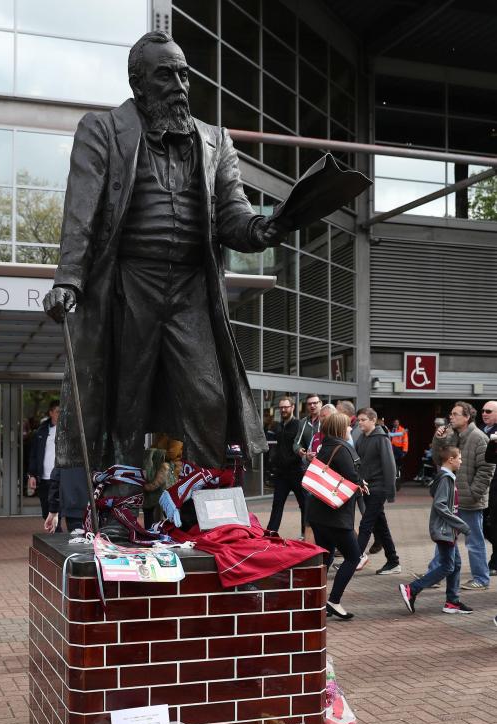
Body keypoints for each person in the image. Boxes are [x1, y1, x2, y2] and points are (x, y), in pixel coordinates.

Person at [43, 30, 295, 474]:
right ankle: (120, 503)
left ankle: (206, 505)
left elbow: (233, 216)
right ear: (138, 83)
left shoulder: (215, 141)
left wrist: (264, 228)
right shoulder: (102, 130)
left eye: (184, 75)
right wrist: (68, 280)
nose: (179, 86)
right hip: (129, 283)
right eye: (166, 76)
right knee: (126, 402)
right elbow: (79, 213)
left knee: (210, 397)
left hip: (190, 289)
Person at [399, 444, 471, 615]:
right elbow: (440, 505)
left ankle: (452, 602)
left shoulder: (446, 477)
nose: (461, 461)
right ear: (451, 459)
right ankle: (412, 589)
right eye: (459, 458)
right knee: (447, 567)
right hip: (444, 531)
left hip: (448, 531)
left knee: (456, 564)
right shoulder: (446, 479)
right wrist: (461, 524)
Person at [305, 412, 364, 620]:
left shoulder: (324, 447)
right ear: (340, 428)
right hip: (336, 516)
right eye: (348, 426)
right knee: (353, 556)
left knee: (326, 558)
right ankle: (334, 600)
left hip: (318, 514)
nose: (350, 429)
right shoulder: (344, 448)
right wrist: (361, 483)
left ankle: (313, 600)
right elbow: (353, 477)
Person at [432, 401, 494, 589]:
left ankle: (481, 579)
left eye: (455, 414)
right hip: (452, 498)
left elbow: (488, 468)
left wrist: (473, 493)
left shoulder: (479, 438)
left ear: (467, 417)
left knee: (474, 541)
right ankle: (435, 573)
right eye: (451, 414)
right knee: (444, 536)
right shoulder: (451, 436)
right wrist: (438, 440)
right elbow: (438, 460)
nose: (451, 417)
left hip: (470, 500)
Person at [354, 407, 401, 574]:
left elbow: (390, 466)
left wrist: (391, 492)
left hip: (378, 488)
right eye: (358, 420)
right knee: (381, 527)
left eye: (363, 420)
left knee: (366, 524)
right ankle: (393, 561)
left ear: (373, 421)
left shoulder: (381, 438)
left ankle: (354, 558)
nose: (359, 423)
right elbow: (357, 462)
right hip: (367, 488)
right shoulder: (361, 438)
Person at [266, 397, 306, 537]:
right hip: (281, 474)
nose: (283, 410)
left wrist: (291, 460)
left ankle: (305, 533)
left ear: (293, 407)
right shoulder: (277, 426)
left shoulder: (299, 425)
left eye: (286, 407)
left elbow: (302, 447)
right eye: (281, 407)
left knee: (304, 505)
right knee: (277, 504)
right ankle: (271, 532)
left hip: (296, 472)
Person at [28, 401, 61, 526]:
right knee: (46, 512)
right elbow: (34, 455)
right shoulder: (41, 431)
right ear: (51, 413)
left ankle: (58, 539)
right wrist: (32, 475)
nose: (60, 414)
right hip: (45, 478)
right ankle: (56, 538)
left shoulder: (69, 431)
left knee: (59, 511)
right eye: (58, 411)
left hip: (61, 477)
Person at [480, 400, 497, 576]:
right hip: (483, 484)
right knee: (484, 525)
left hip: (495, 485)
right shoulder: (481, 430)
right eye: (483, 411)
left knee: (493, 523)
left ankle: (495, 561)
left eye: (489, 411)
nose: (484, 413)